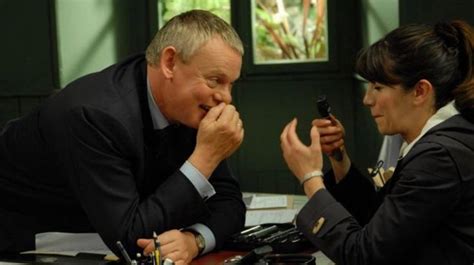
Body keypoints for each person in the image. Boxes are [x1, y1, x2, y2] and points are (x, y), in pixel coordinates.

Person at [0, 9, 246, 264]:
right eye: (215, 80)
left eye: (231, 84)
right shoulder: (94, 115)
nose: (226, 97)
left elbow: (230, 204)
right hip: (24, 246)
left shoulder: (189, 108)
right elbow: (130, 238)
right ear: (170, 63)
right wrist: (205, 157)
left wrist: (195, 239)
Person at [280, 20, 474, 265]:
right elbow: (380, 219)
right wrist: (339, 159)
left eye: (378, 87)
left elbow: (364, 255)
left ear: (420, 91)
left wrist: (310, 177)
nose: (367, 99)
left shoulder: (439, 156)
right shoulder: (442, 139)